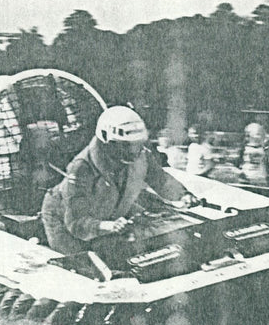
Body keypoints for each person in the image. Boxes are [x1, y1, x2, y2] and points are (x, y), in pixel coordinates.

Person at [41, 106, 196, 257]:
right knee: (85, 264)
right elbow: (76, 222)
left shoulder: (141, 154)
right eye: (126, 146)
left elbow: (161, 180)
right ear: (108, 142)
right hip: (64, 220)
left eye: (137, 145)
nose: (134, 152)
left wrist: (183, 195)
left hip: (109, 210)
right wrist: (107, 226)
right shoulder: (81, 167)